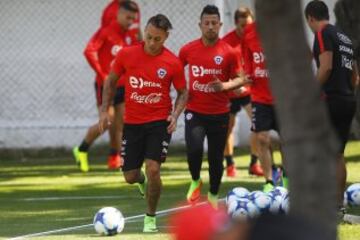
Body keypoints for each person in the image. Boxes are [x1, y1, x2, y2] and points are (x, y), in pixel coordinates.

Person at [99, 14, 188, 232]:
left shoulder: (172, 62)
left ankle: (150, 218)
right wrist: (104, 110)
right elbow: (110, 80)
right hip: (133, 124)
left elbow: (183, 92)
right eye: (149, 37)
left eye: (157, 39)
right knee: (130, 176)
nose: (151, 42)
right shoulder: (126, 55)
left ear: (166, 37)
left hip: (159, 122)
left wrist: (175, 115)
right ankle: (140, 181)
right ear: (145, 32)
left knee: (153, 169)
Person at [179, 5, 251, 208]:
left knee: (215, 158)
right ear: (200, 25)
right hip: (194, 111)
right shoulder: (188, 49)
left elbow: (240, 79)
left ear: (219, 25)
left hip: (219, 113)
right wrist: (180, 89)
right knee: (193, 150)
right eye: (206, 23)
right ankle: (195, 180)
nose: (210, 27)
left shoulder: (229, 52)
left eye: (214, 23)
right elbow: (175, 70)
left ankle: (212, 195)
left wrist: (225, 86)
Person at [305, 0, 359, 212]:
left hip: (330, 100)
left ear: (310, 18)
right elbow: (355, 77)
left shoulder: (322, 33)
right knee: (337, 154)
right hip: (348, 100)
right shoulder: (344, 37)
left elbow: (325, 67)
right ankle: (337, 206)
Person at [73, 0, 139, 172]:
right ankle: (81, 149)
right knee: (107, 121)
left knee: (121, 124)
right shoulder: (106, 32)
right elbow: (89, 51)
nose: (130, 21)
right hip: (106, 86)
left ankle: (116, 157)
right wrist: (102, 75)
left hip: (124, 86)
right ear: (118, 14)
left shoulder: (130, 36)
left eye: (133, 18)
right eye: (128, 17)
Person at [242, 21, 287, 192]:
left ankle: (287, 177)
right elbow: (247, 63)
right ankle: (268, 181)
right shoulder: (249, 33)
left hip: (282, 98)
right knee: (262, 138)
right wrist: (247, 75)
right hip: (260, 97)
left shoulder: (284, 30)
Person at [222, 7, 263, 178]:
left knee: (259, 124)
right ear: (236, 24)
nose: (245, 29)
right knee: (227, 128)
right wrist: (232, 84)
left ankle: (254, 163)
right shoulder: (227, 41)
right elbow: (220, 67)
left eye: (248, 25)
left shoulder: (258, 39)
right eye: (242, 26)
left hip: (249, 91)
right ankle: (230, 164)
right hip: (231, 92)